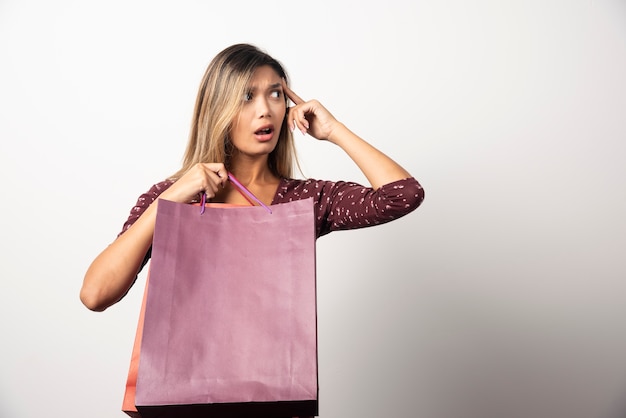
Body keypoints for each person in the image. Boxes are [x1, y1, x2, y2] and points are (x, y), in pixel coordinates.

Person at [80, 43, 424, 416]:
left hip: (271, 404)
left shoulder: (302, 199)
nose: (266, 109)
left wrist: (334, 130)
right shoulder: (172, 197)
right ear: (219, 108)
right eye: (247, 96)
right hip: (180, 404)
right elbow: (95, 294)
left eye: (276, 93)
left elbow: (402, 195)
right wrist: (174, 196)